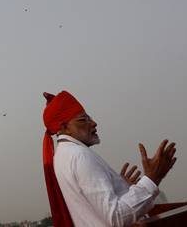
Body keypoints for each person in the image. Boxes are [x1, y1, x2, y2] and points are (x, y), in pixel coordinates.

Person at [42, 91, 177, 227]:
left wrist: (120, 188)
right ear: (65, 128)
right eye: (83, 120)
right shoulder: (80, 155)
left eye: (90, 118)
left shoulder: (63, 155)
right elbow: (116, 218)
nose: (93, 123)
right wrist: (152, 179)